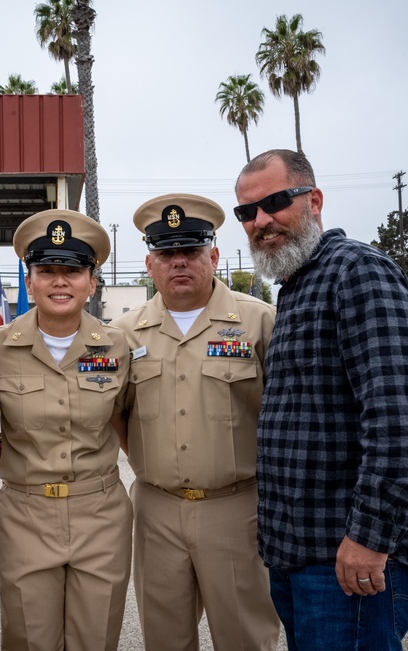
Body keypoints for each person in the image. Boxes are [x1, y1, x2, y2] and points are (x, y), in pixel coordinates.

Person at [234, 149, 408, 650]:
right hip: (299, 554)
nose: (261, 221)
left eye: (276, 202)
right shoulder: (297, 286)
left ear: (314, 199)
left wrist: (370, 537)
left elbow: (402, 423)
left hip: (348, 558)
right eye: (247, 212)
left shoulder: (357, 272)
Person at [109, 194, 282, 650]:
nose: (179, 262)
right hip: (156, 509)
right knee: (164, 640)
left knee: (244, 637)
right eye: (167, 253)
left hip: (237, 509)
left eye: (192, 251)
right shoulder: (125, 334)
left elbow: (284, 414)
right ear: (150, 263)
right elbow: (115, 414)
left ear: (215, 256)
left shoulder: (260, 323)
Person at [0, 209, 133, 651]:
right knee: (30, 638)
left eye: (72, 270)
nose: (60, 281)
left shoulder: (119, 345)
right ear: (28, 282)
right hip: (26, 515)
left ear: (92, 281)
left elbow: (125, 416)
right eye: (46, 270)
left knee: (96, 639)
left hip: (101, 514)